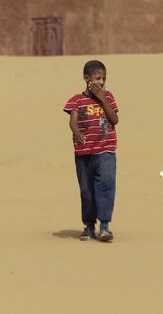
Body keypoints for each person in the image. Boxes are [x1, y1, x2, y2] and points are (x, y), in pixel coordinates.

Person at [63, 60, 119, 242]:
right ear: (86, 78)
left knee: (106, 185)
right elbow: (73, 120)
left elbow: (114, 119)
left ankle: (104, 226)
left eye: (103, 78)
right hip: (84, 153)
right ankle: (88, 226)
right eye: (97, 78)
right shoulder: (76, 100)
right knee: (87, 192)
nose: (101, 82)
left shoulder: (108, 97)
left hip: (106, 151)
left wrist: (102, 99)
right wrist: (77, 131)